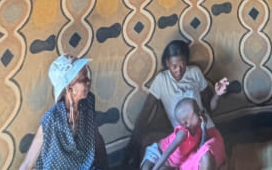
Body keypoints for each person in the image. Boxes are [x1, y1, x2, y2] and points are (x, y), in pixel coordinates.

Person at [127, 40, 229, 170]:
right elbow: (145, 112)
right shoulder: (161, 81)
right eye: (174, 66)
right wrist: (133, 142)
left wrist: (217, 94)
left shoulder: (195, 73)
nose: (178, 70)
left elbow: (210, 108)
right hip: (186, 144)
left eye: (182, 65)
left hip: (207, 131)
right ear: (167, 63)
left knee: (206, 158)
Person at [20, 54, 108, 170]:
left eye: (87, 78)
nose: (88, 82)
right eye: (83, 79)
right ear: (69, 87)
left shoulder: (87, 104)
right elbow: (28, 163)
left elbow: (95, 137)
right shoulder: (52, 119)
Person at [140, 98, 211, 170]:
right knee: (146, 168)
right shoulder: (183, 133)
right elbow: (167, 153)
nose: (200, 112)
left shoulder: (199, 129)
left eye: (198, 108)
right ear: (186, 123)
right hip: (158, 152)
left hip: (170, 164)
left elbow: (202, 147)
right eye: (196, 111)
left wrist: (204, 126)